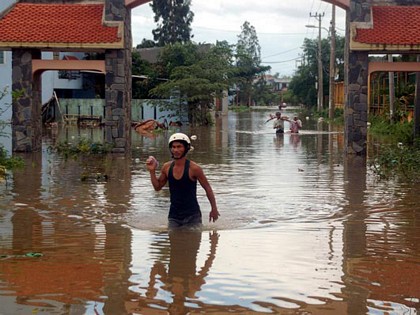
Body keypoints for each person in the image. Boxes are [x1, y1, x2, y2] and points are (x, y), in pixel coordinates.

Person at [146, 133, 220, 229]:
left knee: (191, 240)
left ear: (186, 148)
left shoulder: (194, 168)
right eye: (173, 147)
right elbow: (157, 187)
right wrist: (152, 171)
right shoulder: (167, 167)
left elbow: (208, 188)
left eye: (179, 147)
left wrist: (214, 208)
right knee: (174, 241)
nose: (176, 150)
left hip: (192, 216)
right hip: (174, 216)